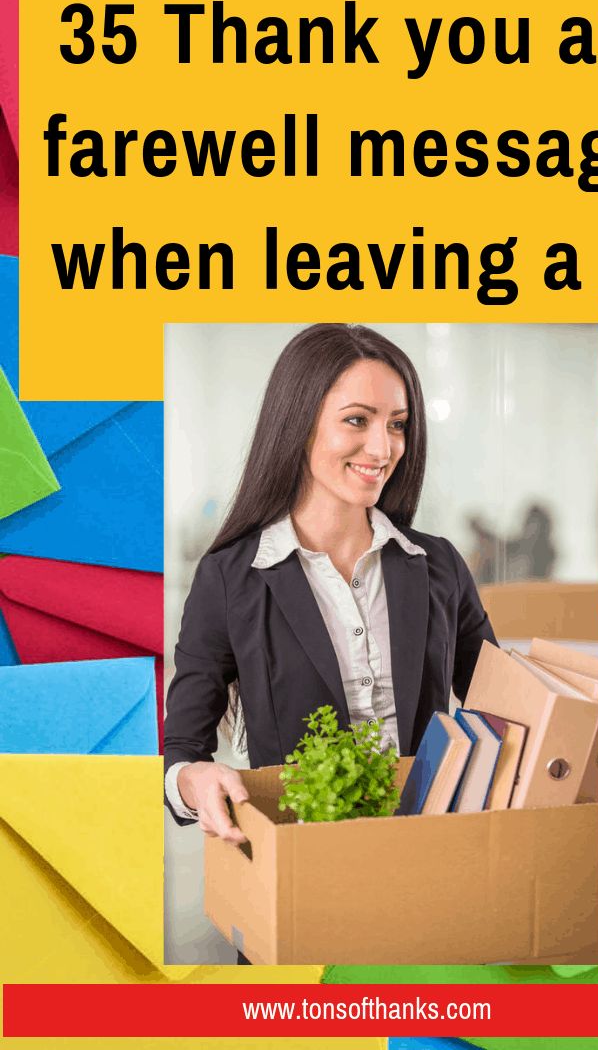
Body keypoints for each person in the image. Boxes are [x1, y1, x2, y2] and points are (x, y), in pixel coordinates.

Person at [164, 323, 498, 848]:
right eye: (357, 421)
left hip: (434, 851)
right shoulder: (231, 578)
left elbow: (502, 708)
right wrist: (193, 778)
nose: (383, 447)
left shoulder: (437, 565)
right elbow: (184, 748)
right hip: (304, 861)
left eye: (397, 424)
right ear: (298, 424)